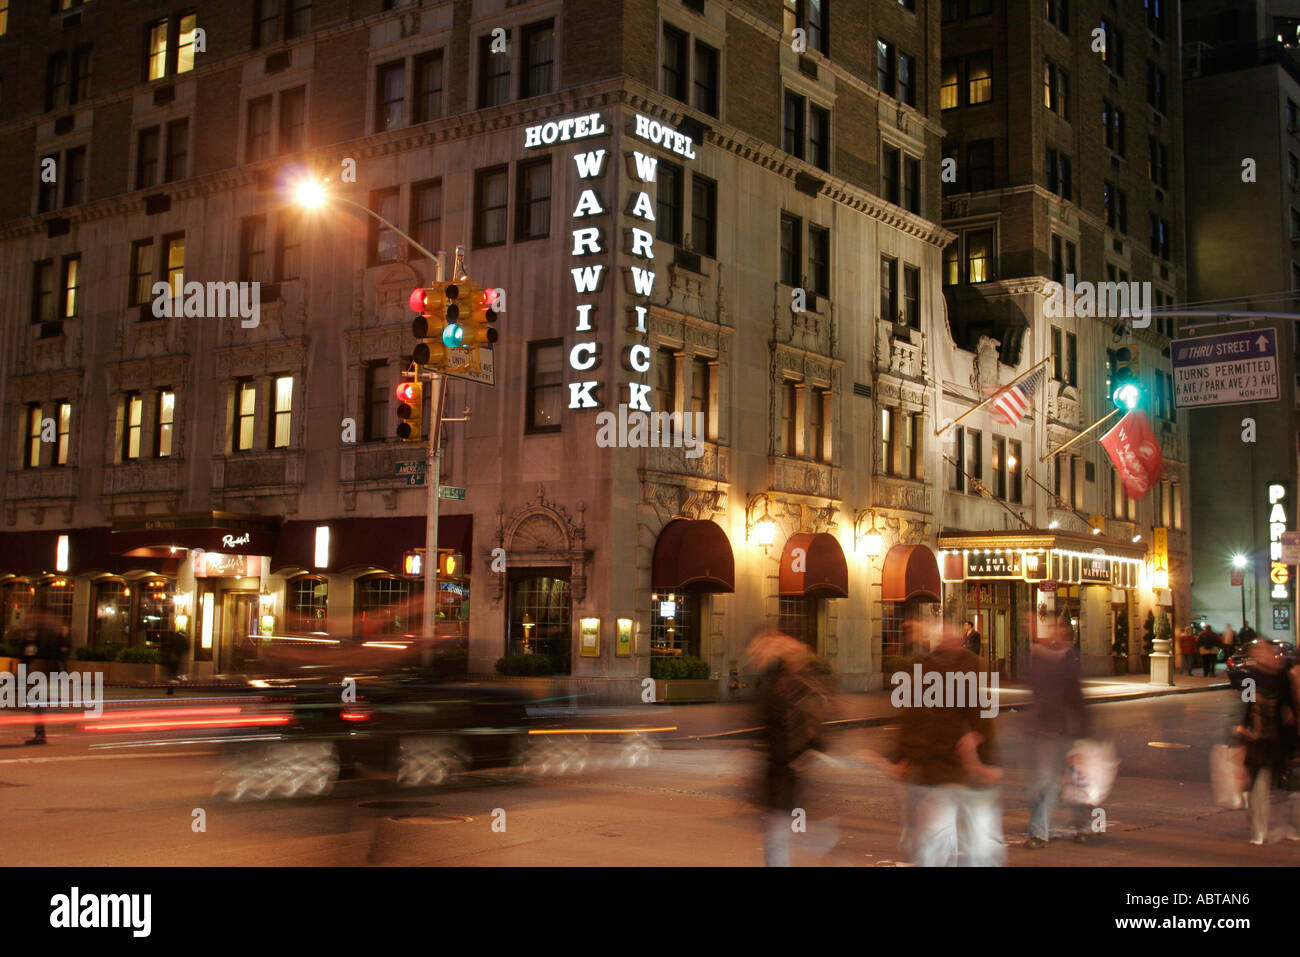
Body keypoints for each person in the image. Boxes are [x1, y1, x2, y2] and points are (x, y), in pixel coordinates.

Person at [883, 620, 1004, 866]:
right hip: (937, 769)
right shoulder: (923, 667)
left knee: (977, 842)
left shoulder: (970, 665)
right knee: (934, 838)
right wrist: (902, 756)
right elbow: (912, 716)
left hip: (964, 768)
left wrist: (985, 757)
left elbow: (981, 713)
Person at [749, 630, 829, 866]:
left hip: (788, 772)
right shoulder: (774, 681)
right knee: (779, 834)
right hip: (778, 771)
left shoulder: (798, 684)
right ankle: (825, 841)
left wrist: (803, 756)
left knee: (778, 836)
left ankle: (827, 842)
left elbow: (815, 726)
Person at [1025, 621, 1090, 848]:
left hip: (1067, 730)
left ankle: (1083, 827)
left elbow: (1076, 696)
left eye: (1057, 631)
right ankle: (1039, 832)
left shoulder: (1068, 658)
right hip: (1047, 730)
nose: (1053, 635)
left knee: (1073, 783)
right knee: (1046, 783)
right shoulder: (1042, 657)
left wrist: (1082, 732)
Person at [1233, 640, 1294, 844]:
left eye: (1263, 650)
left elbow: (1289, 707)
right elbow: (1246, 707)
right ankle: (1259, 831)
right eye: (1256, 651)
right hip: (1257, 740)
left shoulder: (1282, 678)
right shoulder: (1251, 679)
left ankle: (1288, 825)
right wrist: (1242, 732)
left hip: (1278, 739)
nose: (1261, 654)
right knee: (1259, 785)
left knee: (1284, 787)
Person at [18, 623, 46, 745]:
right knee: (36, 706)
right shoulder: (25, 645)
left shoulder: (39, 648)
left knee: (37, 706)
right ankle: (39, 734)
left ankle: (40, 734)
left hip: (36, 680)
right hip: (32, 678)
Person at [158, 630, 189, 695]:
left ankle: (170, 687)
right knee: (173, 674)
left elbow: (162, 647)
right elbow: (185, 648)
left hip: (169, 660)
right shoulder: (181, 640)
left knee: (169, 674)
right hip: (176, 660)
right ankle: (171, 687)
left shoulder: (171, 640)